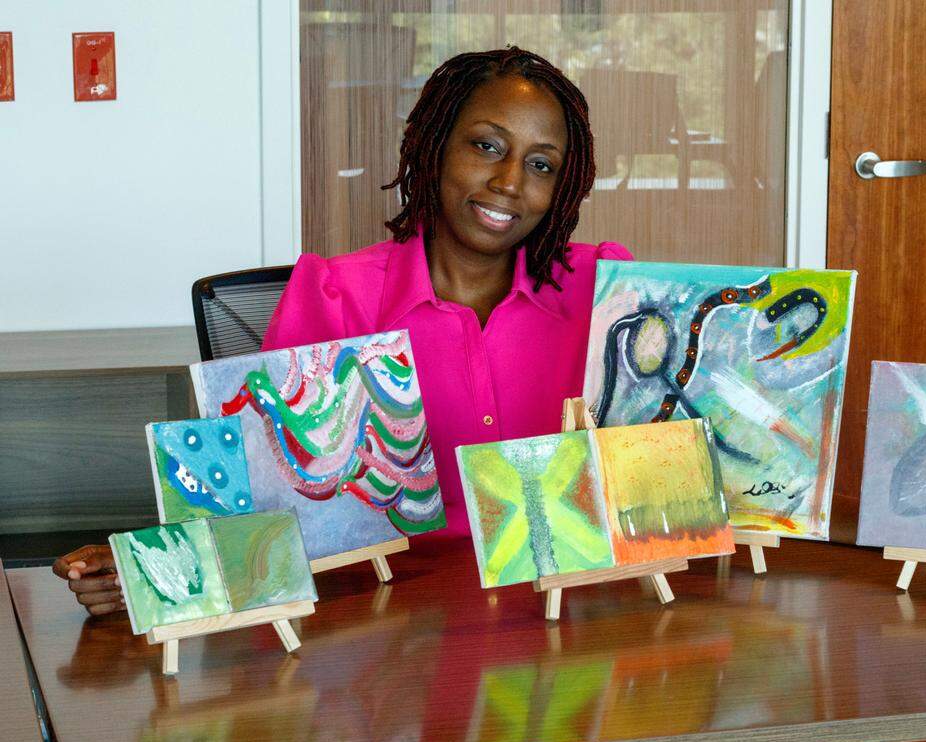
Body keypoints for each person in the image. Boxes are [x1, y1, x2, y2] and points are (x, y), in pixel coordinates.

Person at [54, 47, 632, 616]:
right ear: (433, 147)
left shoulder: (605, 295)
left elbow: (661, 477)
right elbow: (266, 505)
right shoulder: (336, 298)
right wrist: (154, 569)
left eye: (541, 165)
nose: (509, 181)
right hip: (385, 626)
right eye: (486, 146)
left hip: (569, 612)